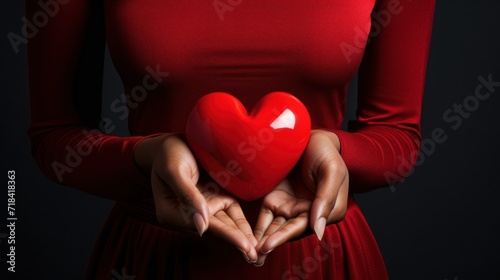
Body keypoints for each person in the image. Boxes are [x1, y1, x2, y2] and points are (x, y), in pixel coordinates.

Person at [26, 0, 435, 279]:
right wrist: (146, 157)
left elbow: (397, 135)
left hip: (320, 258)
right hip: (156, 260)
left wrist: (336, 151)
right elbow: (54, 137)